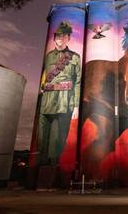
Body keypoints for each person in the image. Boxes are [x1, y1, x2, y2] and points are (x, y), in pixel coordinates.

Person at [37, 20, 81, 165]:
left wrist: (75, 106)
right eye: (57, 36)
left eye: (63, 36)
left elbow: (77, 82)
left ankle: (52, 169)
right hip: (47, 101)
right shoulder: (48, 56)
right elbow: (43, 78)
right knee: (41, 137)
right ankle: (40, 166)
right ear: (54, 38)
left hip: (64, 101)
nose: (60, 39)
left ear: (68, 38)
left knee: (57, 139)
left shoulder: (74, 57)